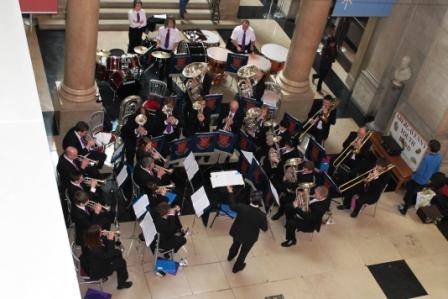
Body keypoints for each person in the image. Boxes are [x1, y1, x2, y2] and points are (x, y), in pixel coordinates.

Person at [226, 185, 267, 273]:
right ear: (260, 202)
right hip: (250, 238)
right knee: (243, 252)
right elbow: (265, 228)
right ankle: (236, 268)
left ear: (251, 199)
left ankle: (230, 257)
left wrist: (230, 191)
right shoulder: (262, 215)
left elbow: (232, 205)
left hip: (237, 232)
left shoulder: (242, 207)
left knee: (235, 245)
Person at [80, 225, 132, 289]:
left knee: (117, 252)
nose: (102, 232)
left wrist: (104, 236)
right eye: (100, 232)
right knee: (122, 262)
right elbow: (108, 255)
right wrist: (111, 239)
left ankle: (119, 270)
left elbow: (103, 246)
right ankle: (121, 284)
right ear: (96, 236)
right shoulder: (96, 249)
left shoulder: (89, 239)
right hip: (97, 270)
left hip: (94, 261)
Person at [399, 139, 442, 215]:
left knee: (410, 193)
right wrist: (429, 177)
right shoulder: (439, 157)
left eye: (428, 146)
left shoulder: (427, 158)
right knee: (415, 192)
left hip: (418, 179)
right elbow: (436, 170)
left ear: (430, 148)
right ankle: (407, 204)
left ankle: (404, 210)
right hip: (426, 180)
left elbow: (420, 171)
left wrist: (413, 176)